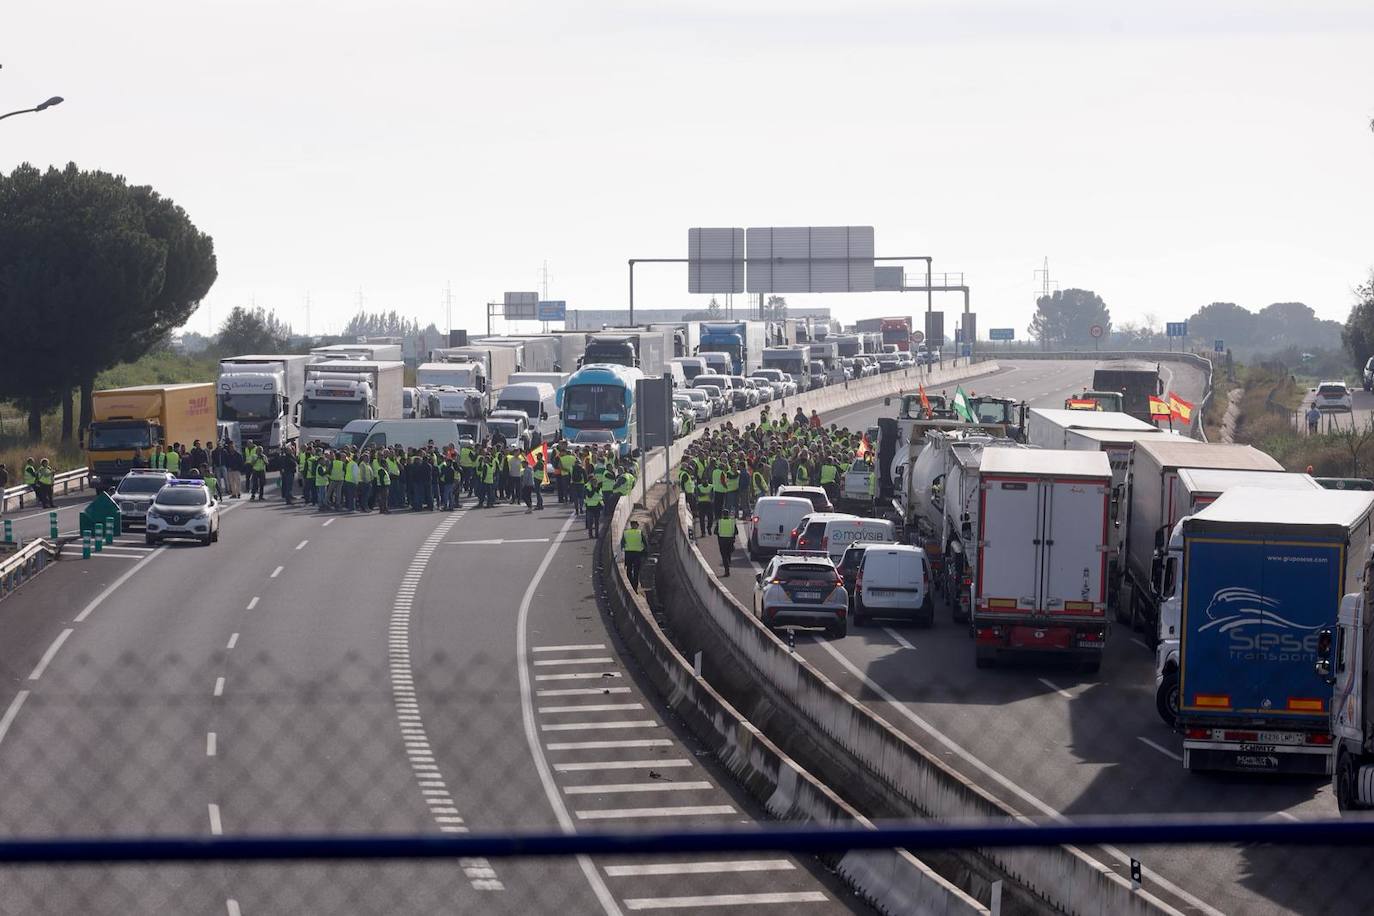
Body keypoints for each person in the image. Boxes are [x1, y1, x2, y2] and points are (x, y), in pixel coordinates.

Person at [621, 519, 646, 591]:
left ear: (631, 526)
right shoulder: (639, 532)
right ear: (637, 526)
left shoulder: (626, 533)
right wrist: (645, 553)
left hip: (628, 554)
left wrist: (621, 555)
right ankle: (635, 586)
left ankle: (630, 584)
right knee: (636, 571)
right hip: (637, 554)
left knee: (629, 569)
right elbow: (645, 544)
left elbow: (622, 544)